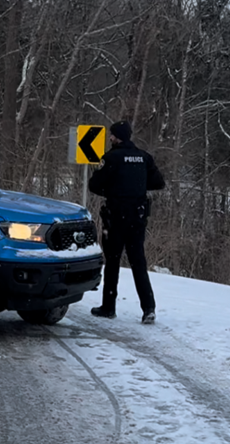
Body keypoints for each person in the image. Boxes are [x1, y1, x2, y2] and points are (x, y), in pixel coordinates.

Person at [88, 120, 165, 324]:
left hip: (116, 217)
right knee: (138, 262)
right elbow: (159, 182)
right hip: (137, 218)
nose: (110, 138)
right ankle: (149, 308)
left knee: (112, 261)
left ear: (117, 136)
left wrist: (113, 190)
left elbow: (94, 185)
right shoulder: (144, 157)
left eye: (112, 135)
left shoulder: (111, 158)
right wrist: (136, 188)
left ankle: (108, 306)